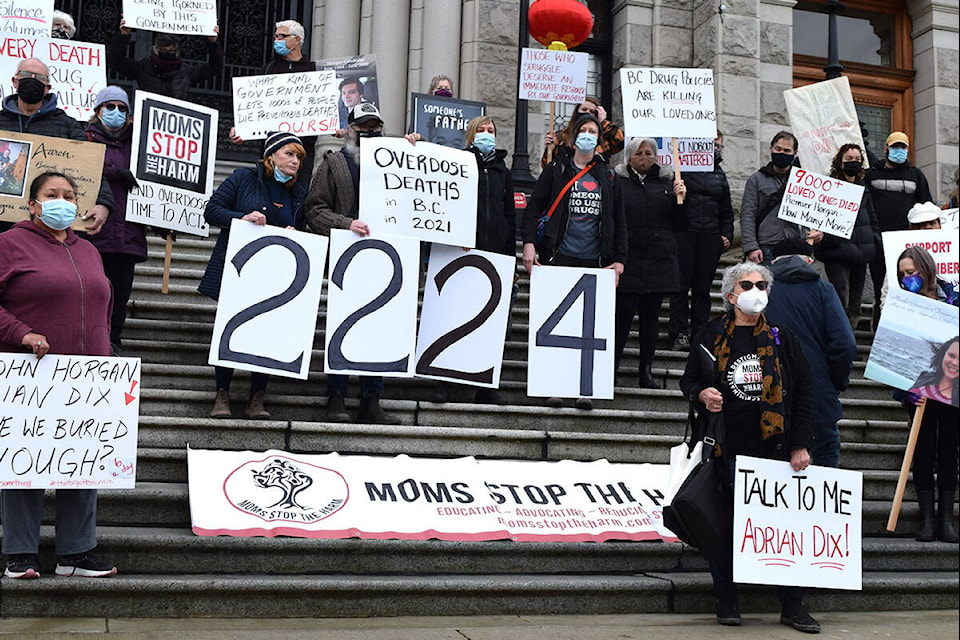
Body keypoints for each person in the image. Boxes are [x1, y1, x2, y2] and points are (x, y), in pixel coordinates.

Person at [679, 261, 818, 633]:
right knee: (722, 528)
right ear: (731, 295)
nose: (756, 289)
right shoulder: (709, 336)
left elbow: (804, 393)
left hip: (773, 451)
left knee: (780, 530)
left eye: (762, 284)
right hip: (725, 447)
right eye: (748, 284)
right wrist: (700, 393)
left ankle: (792, 604)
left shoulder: (782, 339)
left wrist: (800, 443)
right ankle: (726, 597)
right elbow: (688, 379)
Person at [0, 172, 117, 580]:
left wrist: (106, 354)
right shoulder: (9, 244)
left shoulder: (89, 250)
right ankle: (19, 553)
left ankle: (77, 553)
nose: (62, 202)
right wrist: (21, 333)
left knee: (83, 461)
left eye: (69, 195)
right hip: (29, 372)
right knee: (24, 460)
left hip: (86, 375)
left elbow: (102, 303)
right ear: (32, 204)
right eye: (52, 195)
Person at [198, 132, 308, 420]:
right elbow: (212, 211)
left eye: (299, 156)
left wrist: (297, 235)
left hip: (275, 278)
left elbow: (305, 228)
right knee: (229, 328)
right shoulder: (243, 178)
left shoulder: (298, 192)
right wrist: (241, 218)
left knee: (267, 335)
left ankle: (256, 398)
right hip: (239, 271)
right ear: (271, 155)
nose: (295, 161)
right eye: (289, 154)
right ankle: (222, 394)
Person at [304, 103, 402, 425]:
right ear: (350, 129)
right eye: (363, 127)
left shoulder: (399, 163)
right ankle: (337, 396)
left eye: (375, 126)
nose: (369, 132)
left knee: (378, 329)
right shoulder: (334, 163)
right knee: (342, 327)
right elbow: (314, 210)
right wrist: (346, 224)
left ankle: (372, 399)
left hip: (385, 259)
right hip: (346, 259)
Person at [522, 112, 627, 409]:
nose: (589, 135)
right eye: (584, 130)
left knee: (590, 326)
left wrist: (619, 259)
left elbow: (619, 220)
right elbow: (533, 209)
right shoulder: (557, 169)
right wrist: (529, 245)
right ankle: (553, 385)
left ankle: (585, 387)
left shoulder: (607, 175)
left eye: (594, 131)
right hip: (559, 256)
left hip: (595, 260)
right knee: (556, 323)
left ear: (599, 138)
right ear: (573, 135)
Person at [429, 115, 516, 406]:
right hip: (462, 251)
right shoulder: (459, 163)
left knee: (489, 320)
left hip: (494, 252)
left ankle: (485, 385)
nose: (487, 134)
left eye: (491, 130)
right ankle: (444, 382)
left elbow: (508, 215)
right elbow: (445, 203)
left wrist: (510, 257)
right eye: (482, 130)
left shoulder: (503, 171)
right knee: (454, 316)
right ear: (471, 135)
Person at [765, 241, 857, 469]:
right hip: (818, 392)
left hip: (768, 390)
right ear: (810, 260)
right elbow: (844, 344)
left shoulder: (760, 291)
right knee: (825, 462)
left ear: (773, 262)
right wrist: (836, 381)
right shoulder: (823, 289)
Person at [0, 58, 113, 234]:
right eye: (25, 75)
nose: (32, 79)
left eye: (39, 77)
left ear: (47, 88)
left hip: (46, 227)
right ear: (15, 81)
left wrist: (103, 203)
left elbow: (90, 166)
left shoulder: (68, 126)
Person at [893, 245, 958, 543]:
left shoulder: (954, 299)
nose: (908, 278)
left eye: (912, 272)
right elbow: (894, 352)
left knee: (948, 451)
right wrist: (906, 391)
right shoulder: (902, 304)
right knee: (922, 452)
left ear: (926, 269)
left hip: (952, 387)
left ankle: (946, 520)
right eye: (902, 274)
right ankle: (927, 521)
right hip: (919, 392)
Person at [613, 137, 686, 389]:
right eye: (639, 153)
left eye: (649, 153)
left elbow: (679, 225)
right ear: (630, 157)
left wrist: (680, 200)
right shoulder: (618, 183)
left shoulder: (667, 183)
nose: (645, 158)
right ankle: (612, 368)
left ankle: (646, 370)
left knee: (650, 320)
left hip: (658, 261)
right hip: (629, 259)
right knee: (621, 318)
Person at [81, 86, 146, 357]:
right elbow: (83, 166)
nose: (116, 113)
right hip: (93, 232)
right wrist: (116, 172)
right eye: (110, 107)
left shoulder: (142, 142)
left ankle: (113, 341)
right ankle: (88, 340)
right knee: (91, 292)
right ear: (98, 111)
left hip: (128, 233)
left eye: (122, 108)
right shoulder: (84, 138)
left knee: (120, 295)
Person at [229, 21, 318, 183]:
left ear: (297, 40)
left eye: (282, 36)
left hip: (302, 148)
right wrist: (242, 128)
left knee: (298, 196)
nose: (277, 40)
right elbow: (253, 105)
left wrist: (335, 125)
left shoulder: (314, 71)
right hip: (271, 147)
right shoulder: (268, 70)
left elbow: (323, 108)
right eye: (276, 36)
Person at [668, 132, 734, 352]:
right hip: (686, 234)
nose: (716, 149)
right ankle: (678, 333)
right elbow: (672, 206)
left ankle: (700, 334)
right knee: (680, 287)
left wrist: (726, 234)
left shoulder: (720, 176)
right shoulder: (683, 169)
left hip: (710, 237)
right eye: (712, 144)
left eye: (719, 145)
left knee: (702, 290)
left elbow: (726, 210)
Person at [865, 132, 932, 329]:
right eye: (895, 147)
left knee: (906, 287)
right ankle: (878, 327)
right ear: (885, 149)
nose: (899, 151)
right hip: (878, 241)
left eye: (903, 147)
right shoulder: (872, 175)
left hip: (906, 246)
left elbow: (925, 206)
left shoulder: (916, 175)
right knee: (880, 288)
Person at [815, 143, 879, 329]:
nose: (854, 163)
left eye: (857, 159)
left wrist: (874, 240)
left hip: (861, 252)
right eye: (849, 159)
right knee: (840, 297)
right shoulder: (829, 187)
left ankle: (848, 335)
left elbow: (872, 217)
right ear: (840, 163)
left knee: (855, 304)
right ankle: (836, 333)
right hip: (837, 252)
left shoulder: (864, 188)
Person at [740, 130, 823, 264]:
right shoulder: (756, 179)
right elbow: (747, 215)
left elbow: (818, 213)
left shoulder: (806, 181)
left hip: (797, 247)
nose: (781, 153)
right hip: (767, 248)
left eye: (786, 150)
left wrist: (819, 232)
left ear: (795, 153)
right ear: (771, 149)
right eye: (778, 149)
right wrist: (751, 247)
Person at [109, 19, 222, 101]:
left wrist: (213, 42)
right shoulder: (143, 68)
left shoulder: (186, 72)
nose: (167, 53)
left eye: (171, 51)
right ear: (156, 50)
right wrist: (123, 35)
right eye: (163, 49)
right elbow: (116, 62)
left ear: (177, 52)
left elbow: (215, 67)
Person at [540, 97, 624, 169]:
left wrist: (603, 122)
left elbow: (621, 141)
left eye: (592, 111)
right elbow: (546, 166)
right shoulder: (562, 136)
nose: (587, 113)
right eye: (584, 109)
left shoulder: (603, 137)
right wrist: (551, 148)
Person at [909, 337, 959, 408]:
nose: (955, 363)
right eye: (951, 355)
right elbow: (897, 395)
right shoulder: (925, 377)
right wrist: (907, 396)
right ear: (943, 355)